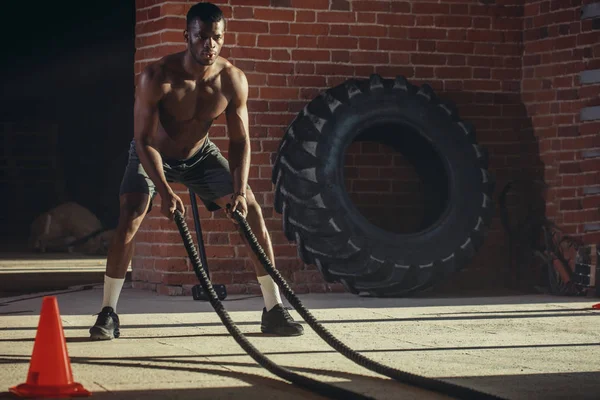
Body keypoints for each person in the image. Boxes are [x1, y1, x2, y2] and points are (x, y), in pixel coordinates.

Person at [89, 2, 303, 340]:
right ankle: (108, 312)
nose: (210, 45)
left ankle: (274, 310)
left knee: (252, 212)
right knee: (131, 213)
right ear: (187, 35)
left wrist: (239, 188)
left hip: (200, 156)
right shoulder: (157, 77)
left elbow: (240, 141)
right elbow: (143, 141)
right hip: (153, 154)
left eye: (216, 37)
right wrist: (164, 189)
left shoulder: (231, 80)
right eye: (202, 36)